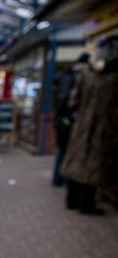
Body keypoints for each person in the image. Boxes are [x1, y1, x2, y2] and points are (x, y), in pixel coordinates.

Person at [61, 36, 118, 215]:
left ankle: (71, 200)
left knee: (77, 163)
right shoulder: (115, 77)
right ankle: (87, 204)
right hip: (104, 129)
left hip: (82, 126)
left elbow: (72, 101)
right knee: (95, 166)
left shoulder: (85, 75)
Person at [52, 53, 90, 186]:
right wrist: (69, 122)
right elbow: (65, 103)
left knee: (63, 149)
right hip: (66, 121)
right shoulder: (73, 77)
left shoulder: (67, 76)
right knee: (65, 149)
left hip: (63, 120)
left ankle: (60, 178)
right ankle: (63, 178)